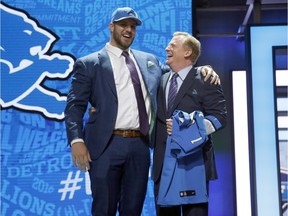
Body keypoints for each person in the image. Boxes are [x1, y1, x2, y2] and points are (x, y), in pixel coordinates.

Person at [64, 7, 219, 216]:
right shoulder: (89, 63)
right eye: (123, 25)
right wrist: (76, 141)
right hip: (104, 145)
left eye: (133, 26)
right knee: (104, 208)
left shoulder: (150, 61)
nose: (128, 30)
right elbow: (74, 106)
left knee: (133, 208)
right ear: (111, 27)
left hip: (140, 146)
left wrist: (201, 69)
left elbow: (181, 74)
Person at [152, 32, 227, 216]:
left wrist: (186, 131)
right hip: (163, 164)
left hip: (194, 163)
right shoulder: (161, 79)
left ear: (187, 52)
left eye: (172, 46)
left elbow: (220, 117)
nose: (166, 49)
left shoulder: (205, 79)